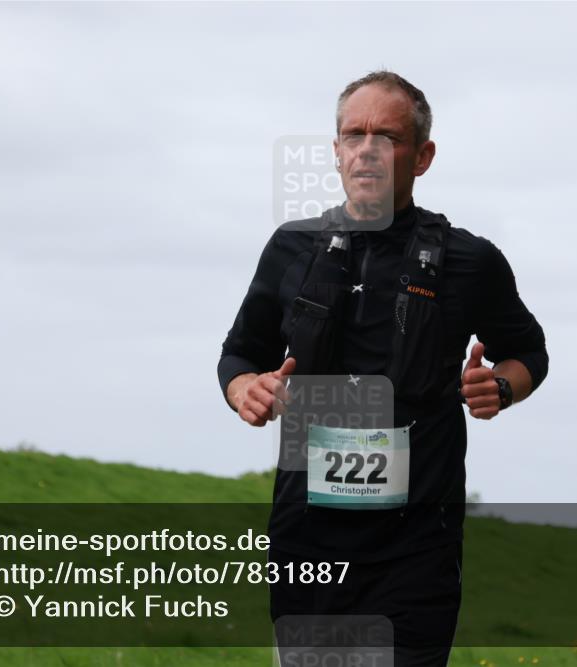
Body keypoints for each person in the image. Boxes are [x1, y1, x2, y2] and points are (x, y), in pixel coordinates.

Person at [217, 71, 549, 667]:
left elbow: (530, 353)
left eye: (387, 136)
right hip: (308, 539)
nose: (367, 148)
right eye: (354, 134)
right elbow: (239, 354)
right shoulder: (292, 247)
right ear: (337, 151)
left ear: (422, 157)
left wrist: (498, 385)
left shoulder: (470, 260)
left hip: (417, 543)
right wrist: (248, 389)